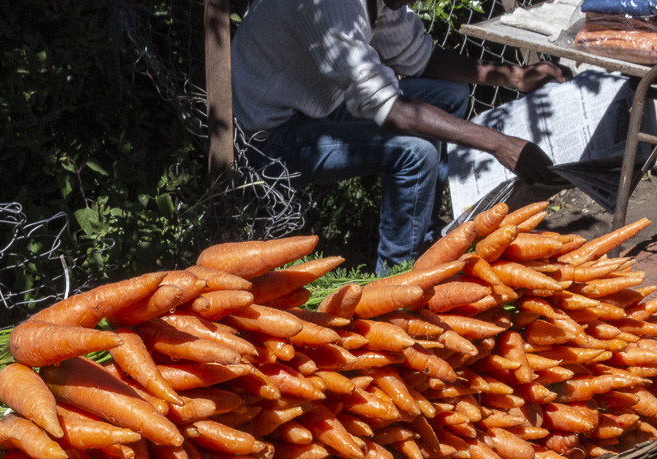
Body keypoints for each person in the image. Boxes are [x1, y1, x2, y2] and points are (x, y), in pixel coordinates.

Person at [230, 0, 570, 271]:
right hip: (270, 138)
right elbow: (389, 109)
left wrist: (517, 76)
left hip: (316, 107)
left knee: (450, 95)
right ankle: (398, 280)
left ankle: (424, 239)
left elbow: (419, 57)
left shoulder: (379, 4)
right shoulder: (333, 6)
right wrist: (500, 144)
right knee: (416, 152)